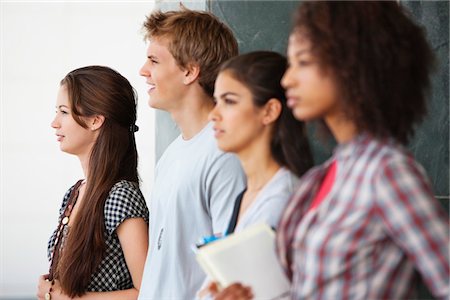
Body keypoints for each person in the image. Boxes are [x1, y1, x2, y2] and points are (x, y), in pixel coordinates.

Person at [215, 1, 450, 299]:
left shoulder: (385, 171)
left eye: (303, 62)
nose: (287, 80)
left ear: (350, 66)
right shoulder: (318, 180)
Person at [138, 6, 246, 300]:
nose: (143, 71)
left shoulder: (225, 153)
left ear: (189, 70)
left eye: (154, 60)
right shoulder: (172, 154)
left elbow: (233, 272)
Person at [199, 51, 314, 298]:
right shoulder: (245, 196)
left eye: (229, 101)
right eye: (216, 101)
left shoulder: (283, 200)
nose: (213, 115)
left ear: (269, 111)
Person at [36, 66, 149, 300]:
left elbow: (147, 291)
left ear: (96, 121)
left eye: (64, 112)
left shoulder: (121, 195)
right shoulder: (74, 193)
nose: (54, 123)